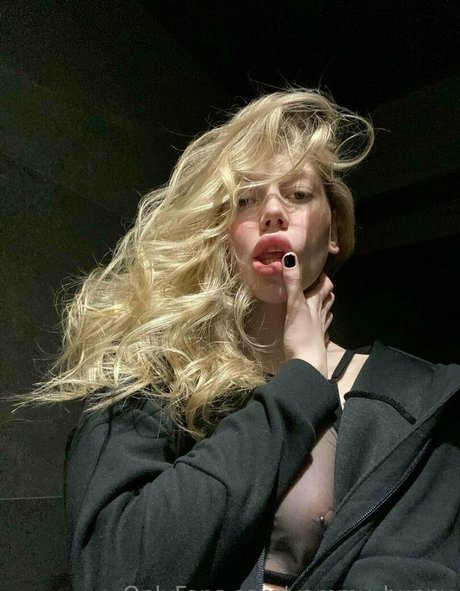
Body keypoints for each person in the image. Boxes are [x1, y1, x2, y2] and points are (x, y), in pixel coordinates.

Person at [10, 88, 459, 591]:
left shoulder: (417, 397)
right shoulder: (147, 377)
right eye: (245, 198)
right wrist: (301, 380)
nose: (272, 210)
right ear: (223, 232)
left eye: (298, 194)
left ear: (334, 231)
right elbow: (113, 569)